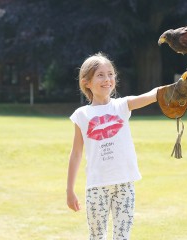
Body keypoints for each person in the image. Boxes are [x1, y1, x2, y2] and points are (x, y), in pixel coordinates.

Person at [66, 52, 158, 240]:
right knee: (97, 236)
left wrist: (176, 85)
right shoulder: (81, 115)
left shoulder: (122, 106)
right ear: (86, 82)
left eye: (110, 74)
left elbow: (150, 96)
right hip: (96, 186)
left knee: (121, 237)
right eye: (100, 75)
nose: (107, 79)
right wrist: (69, 190)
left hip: (124, 183)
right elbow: (76, 153)